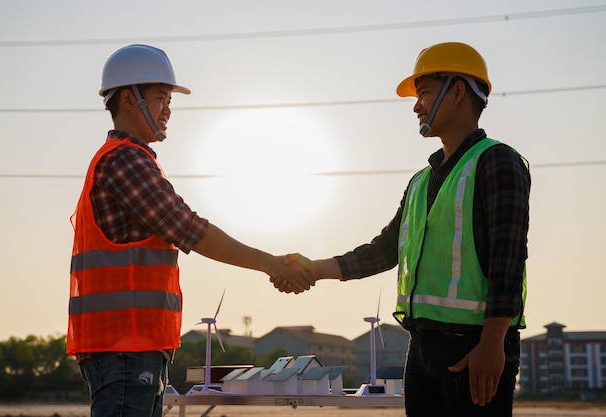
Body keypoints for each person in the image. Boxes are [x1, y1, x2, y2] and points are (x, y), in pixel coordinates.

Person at [275, 42, 530, 416]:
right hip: (423, 348)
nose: (416, 106)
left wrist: (493, 343)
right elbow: (384, 249)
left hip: (475, 347)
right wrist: (316, 268)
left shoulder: (498, 161)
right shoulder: (421, 180)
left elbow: (508, 259)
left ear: (457, 91)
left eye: (424, 92)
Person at [67, 44, 313, 417]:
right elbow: (190, 229)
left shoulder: (127, 159)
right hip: (124, 347)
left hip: (130, 347)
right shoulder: (125, 161)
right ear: (129, 100)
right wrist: (272, 264)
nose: (168, 109)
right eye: (160, 98)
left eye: (169, 100)